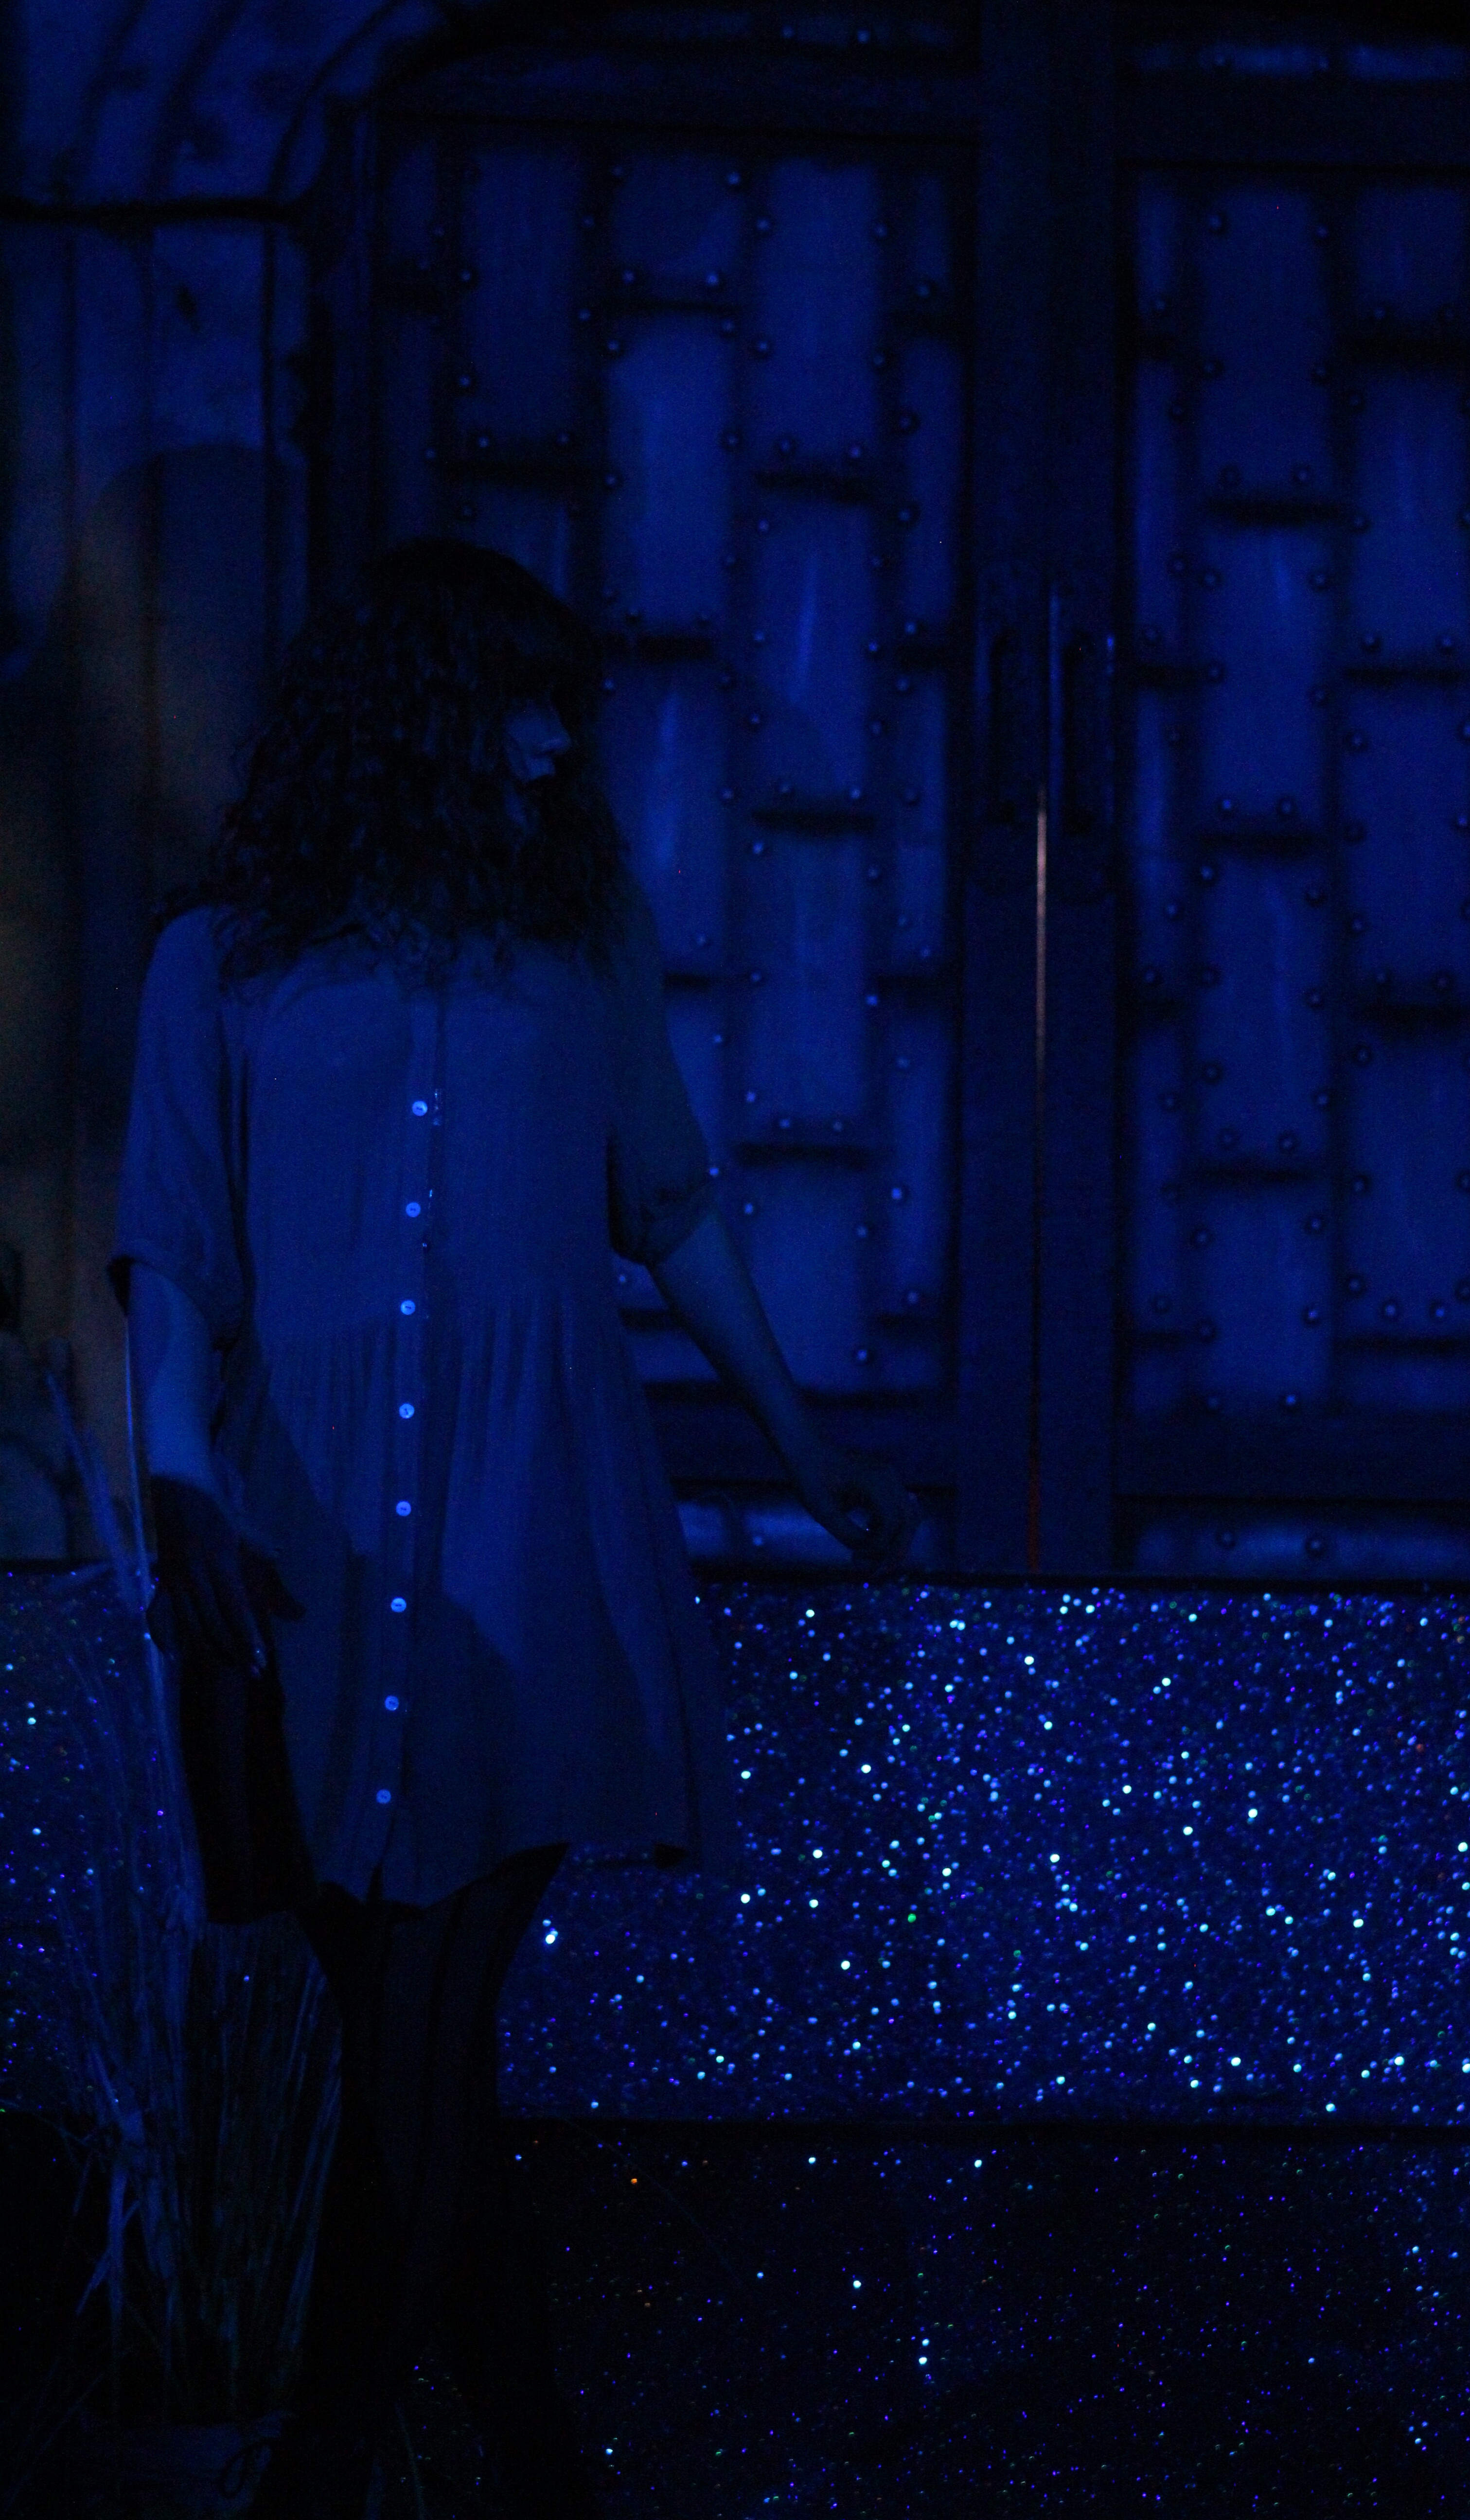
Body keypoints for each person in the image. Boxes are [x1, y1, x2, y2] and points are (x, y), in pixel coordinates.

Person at [109, 537, 921, 2520]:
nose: (561, 746)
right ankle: (543, 2466)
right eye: (523, 705)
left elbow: (672, 1207)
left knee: (434, 2015)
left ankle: (319, 2470)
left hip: (532, 1527)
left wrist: (803, 1445)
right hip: (305, 1549)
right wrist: (178, 1487)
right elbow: (174, 1260)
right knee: (420, 2065)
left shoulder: (578, 942)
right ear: (412, 715)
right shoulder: (220, 960)